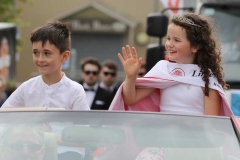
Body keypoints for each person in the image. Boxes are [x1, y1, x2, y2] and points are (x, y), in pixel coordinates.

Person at [109, 12, 232, 116]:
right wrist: (130, 78)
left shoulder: (206, 78)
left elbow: (212, 124)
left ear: (195, 47)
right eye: (168, 38)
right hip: (164, 142)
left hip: (194, 143)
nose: (169, 44)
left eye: (177, 40)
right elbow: (130, 99)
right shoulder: (163, 69)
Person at [1, 21, 89, 110]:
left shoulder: (75, 91)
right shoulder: (27, 88)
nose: (40, 59)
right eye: (36, 53)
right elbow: (5, 115)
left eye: (47, 53)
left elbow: (83, 122)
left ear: (64, 56)